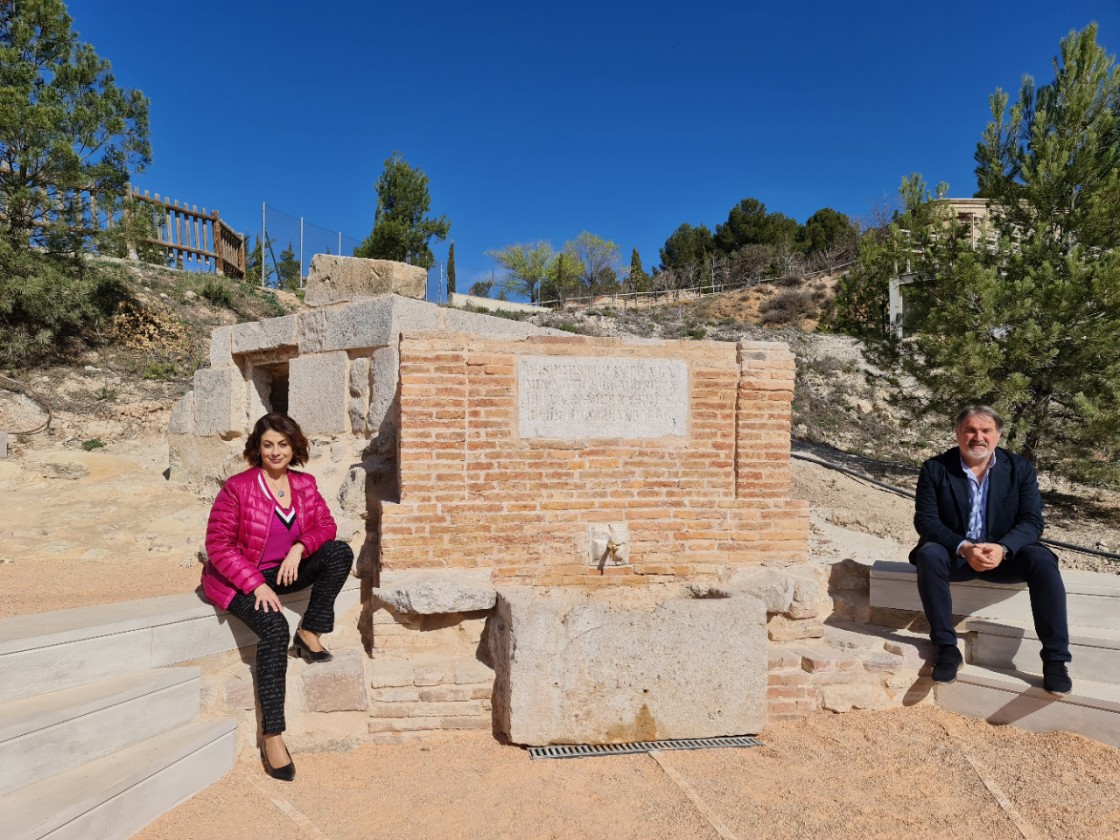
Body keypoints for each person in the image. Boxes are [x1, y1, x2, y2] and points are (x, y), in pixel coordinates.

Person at [202, 413, 353, 780]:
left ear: (293, 446)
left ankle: (310, 632)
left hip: (284, 570)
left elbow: (326, 526)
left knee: (339, 553)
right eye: (268, 444)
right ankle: (273, 735)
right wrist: (255, 584)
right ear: (258, 447)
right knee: (272, 629)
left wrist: (300, 548)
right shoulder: (238, 488)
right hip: (238, 579)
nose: (275, 451)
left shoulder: (304, 484)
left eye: (282, 444)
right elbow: (218, 546)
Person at [910, 405, 1072, 694]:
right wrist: (964, 548)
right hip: (957, 557)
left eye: (986, 431)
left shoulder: (1019, 469)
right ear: (958, 433)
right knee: (929, 554)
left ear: (998, 435)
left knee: (1042, 559)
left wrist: (1003, 547)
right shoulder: (935, 469)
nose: (978, 437)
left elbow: (1032, 521)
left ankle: (1055, 661)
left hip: (1004, 558)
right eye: (970, 430)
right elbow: (926, 521)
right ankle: (947, 648)